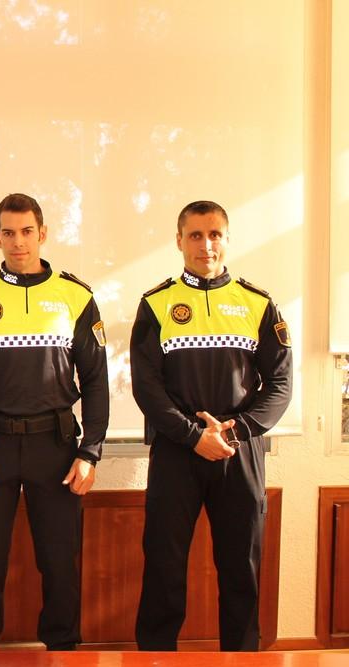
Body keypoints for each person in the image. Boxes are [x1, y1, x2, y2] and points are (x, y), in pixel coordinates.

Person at [0, 193, 109, 651]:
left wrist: (91, 452)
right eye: (9, 233)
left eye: (27, 231)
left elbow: (96, 380)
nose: (18, 242)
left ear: (43, 234)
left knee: (59, 562)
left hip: (56, 447)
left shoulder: (76, 296)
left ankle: (63, 651)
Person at [131, 201, 292, 652]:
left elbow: (280, 385)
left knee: (242, 569)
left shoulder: (258, 303)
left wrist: (232, 433)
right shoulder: (156, 303)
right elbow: (146, 386)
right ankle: (155, 659)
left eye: (215, 234)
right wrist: (192, 436)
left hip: (238, 451)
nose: (206, 245)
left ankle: (241, 660)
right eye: (196, 235)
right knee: (163, 568)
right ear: (179, 241)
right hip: (176, 451)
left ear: (227, 238)